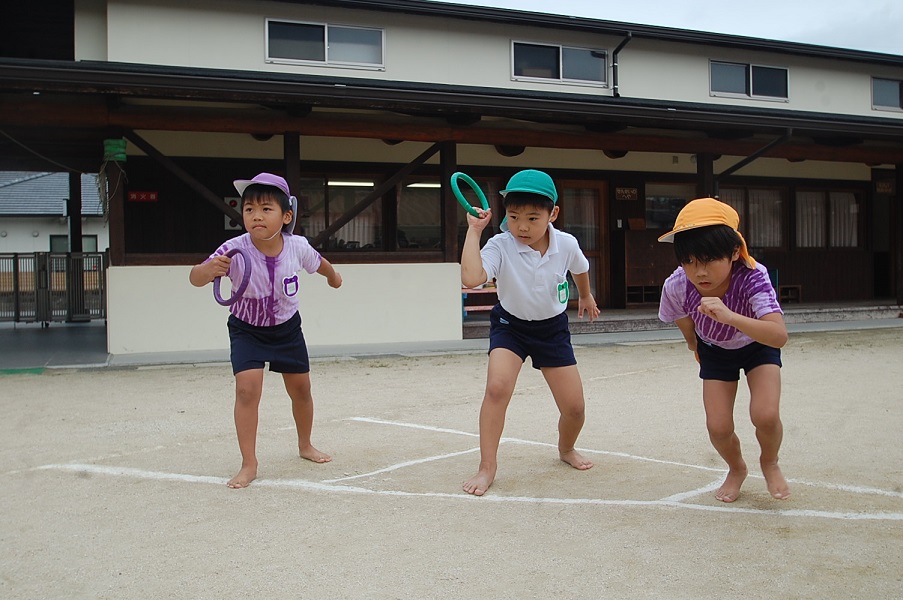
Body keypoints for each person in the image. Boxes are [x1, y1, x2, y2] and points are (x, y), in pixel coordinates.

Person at [189, 172, 342, 488]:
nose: (256, 215)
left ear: (286, 216)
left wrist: (333, 277)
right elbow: (195, 277)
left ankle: (305, 445)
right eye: (249, 210)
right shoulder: (233, 249)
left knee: (301, 389)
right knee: (246, 390)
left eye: (266, 209)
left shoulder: (297, 247)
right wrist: (207, 270)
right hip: (247, 329)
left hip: (287, 329)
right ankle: (249, 464)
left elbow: (320, 263)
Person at [460, 169, 600, 496]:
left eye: (533, 218)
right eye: (513, 216)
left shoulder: (566, 244)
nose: (522, 226)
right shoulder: (500, 244)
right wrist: (474, 231)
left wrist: (586, 294)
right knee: (496, 388)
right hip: (510, 327)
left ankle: (566, 449)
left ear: (553, 214)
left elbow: (580, 268)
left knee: (575, 408)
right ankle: (487, 467)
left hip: (552, 330)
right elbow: (471, 277)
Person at [657, 197, 790, 502]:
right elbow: (686, 326)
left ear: (733, 252)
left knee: (765, 415)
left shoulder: (753, 276)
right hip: (714, 349)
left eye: (708, 260)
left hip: (758, 345)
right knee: (718, 427)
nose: (699, 271)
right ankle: (736, 468)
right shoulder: (677, 285)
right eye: (689, 261)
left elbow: (778, 335)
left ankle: (769, 462)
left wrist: (730, 317)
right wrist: (696, 347)